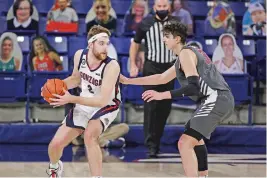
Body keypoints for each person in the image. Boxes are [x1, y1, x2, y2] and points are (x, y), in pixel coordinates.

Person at [121, 20, 235, 177]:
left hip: (217, 98)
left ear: (177, 38)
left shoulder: (185, 54)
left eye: (166, 36)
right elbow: (161, 78)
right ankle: (203, 175)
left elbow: (193, 87)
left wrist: (162, 95)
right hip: (217, 99)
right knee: (195, 136)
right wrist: (128, 81)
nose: (163, 39)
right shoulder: (187, 55)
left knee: (184, 142)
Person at [42, 25, 121, 178]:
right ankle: (54, 167)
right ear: (91, 44)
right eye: (101, 43)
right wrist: (55, 88)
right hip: (84, 102)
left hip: (107, 104)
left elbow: (102, 100)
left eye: (107, 43)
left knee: (90, 136)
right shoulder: (79, 55)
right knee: (55, 145)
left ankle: (96, 176)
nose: (106, 48)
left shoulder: (112, 66)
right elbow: (76, 79)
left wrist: (71, 98)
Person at [129, 0, 179, 158]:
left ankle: (156, 141)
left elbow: (182, 45)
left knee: (165, 107)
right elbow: (135, 44)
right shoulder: (146, 23)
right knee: (151, 106)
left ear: (169, 8)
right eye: (159, 6)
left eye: (165, 6)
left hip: (170, 68)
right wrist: (133, 63)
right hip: (151, 68)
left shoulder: (176, 23)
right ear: (154, 7)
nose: (162, 9)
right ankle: (151, 145)